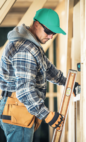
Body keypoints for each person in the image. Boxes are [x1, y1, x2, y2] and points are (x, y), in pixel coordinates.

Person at [0, 8, 80, 142]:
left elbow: (48, 70)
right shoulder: (25, 50)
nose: (51, 36)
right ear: (36, 24)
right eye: (48, 31)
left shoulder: (32, 46)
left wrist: (69, 84)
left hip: (19, 108)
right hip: (18, 109)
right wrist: (48, 115)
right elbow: (25, 91)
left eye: (53, 33)